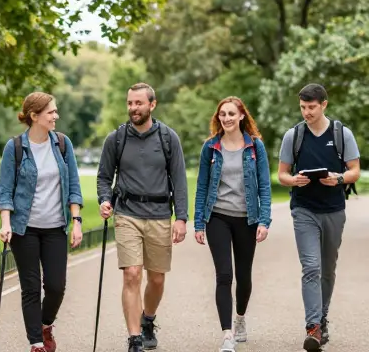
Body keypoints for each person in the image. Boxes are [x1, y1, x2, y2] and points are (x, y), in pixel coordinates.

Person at [97, 83, 189, 352]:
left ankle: (147, 319)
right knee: (132, 274)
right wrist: (105, 199)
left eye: (138, 103)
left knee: (156, 279)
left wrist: (181, 218)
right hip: (127, 214)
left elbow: (179, 180)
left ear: (152, 104)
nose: (133, 108)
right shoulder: (116, 139)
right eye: (130, 103)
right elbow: (104, 177)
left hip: (160, 215)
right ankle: (134, 338)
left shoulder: (168, 138)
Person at [0, 92, 84, 352]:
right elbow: (5, 191)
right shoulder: (15, 147)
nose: (56, 116)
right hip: (25, 229)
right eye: (51, 112)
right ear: (34, 116)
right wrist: (6, 223)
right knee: (31, 288)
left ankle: (45, 325)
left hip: (55, 227)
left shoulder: (62, 144)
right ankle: (36, 343)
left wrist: (76, 221)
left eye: (55, 111)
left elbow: (74, 186)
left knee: (56, 287)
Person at [277, 83, 361, 351]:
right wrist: (294, 180)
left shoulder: (341, 133)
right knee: (311, 267)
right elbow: (282, 174)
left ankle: (322, 317)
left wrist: (338, 178)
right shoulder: (294, 136)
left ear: (324, 104)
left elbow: (354, 171)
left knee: (327, 268)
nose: (307, 112)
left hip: (334, 210)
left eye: (311, 107)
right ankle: (312, 327)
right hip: (304, 210)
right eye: (303, 107)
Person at [192, 97, 271, 351]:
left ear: (241, 116)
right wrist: (198, 223)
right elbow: (202, 186)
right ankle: (227, 334)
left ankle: (240, 318)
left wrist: (264, 220)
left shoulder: (255, 146)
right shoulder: (211, 147)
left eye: (231, 114)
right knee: (224, 274)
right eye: (222, 114)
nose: (226, 118)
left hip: (247, 219)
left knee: (244, 276)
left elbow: (264, 185)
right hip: (217, 217)